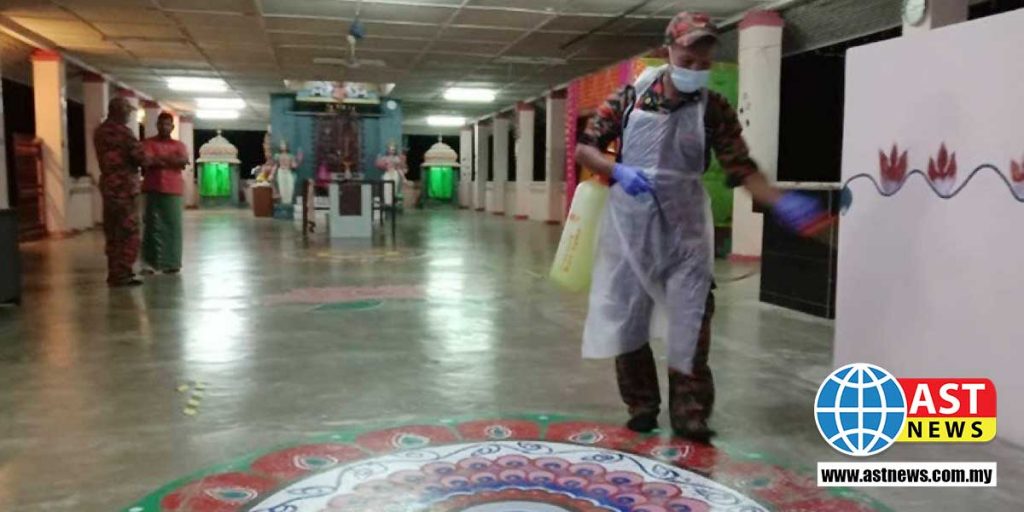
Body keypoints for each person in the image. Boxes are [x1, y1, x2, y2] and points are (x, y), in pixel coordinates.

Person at [574, 12, 830, 443]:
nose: (695, 69)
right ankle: (642, 406)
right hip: (632, 228)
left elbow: (741, 168)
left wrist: (781, 202)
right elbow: (586, 148)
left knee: (691, 323)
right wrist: (617, 170)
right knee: (630, 322)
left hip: (686, 228)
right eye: (687, 59)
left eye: (703, 62)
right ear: (669, 51)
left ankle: (690, 416)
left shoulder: (714, 108)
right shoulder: (630, 97)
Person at [94, 97, 147, 287]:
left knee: (112, 231)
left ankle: (114, 272)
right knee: (129, 231)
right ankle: (123, 272)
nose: (129, 115)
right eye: (128, 111)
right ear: (120, 111)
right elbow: (140, 157)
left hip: (108, 186)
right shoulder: (124, 133)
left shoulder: (100, 132)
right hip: (125, 187)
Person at [141, 112, 190, 274]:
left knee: (173, 226)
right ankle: (150, 264)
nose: (164, 127)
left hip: (173, 190)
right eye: (161, 124)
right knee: (152, 226)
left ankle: (172, 263)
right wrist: (171, 160)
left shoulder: (179, 145)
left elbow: (183, 161)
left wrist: (159, 160)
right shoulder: (148, 143)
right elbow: (146, 161)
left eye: (167, 124)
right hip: (153, 188)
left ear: (172, 127)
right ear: (157, 125)